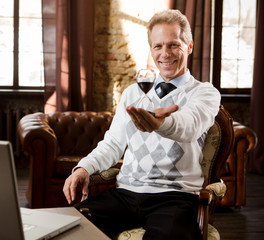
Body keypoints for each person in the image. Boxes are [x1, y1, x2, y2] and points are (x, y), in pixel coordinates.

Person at [63, 9, 220, 240]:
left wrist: (162, 123)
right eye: (158, 46)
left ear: (189, 46)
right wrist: (84, 168)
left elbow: (189, 126)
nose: (165, 54)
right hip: (126, 194)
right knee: (70, 229)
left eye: (173, 45)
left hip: (176, 197)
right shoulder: (132, 93)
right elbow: (113, 144)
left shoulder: (204, 92)